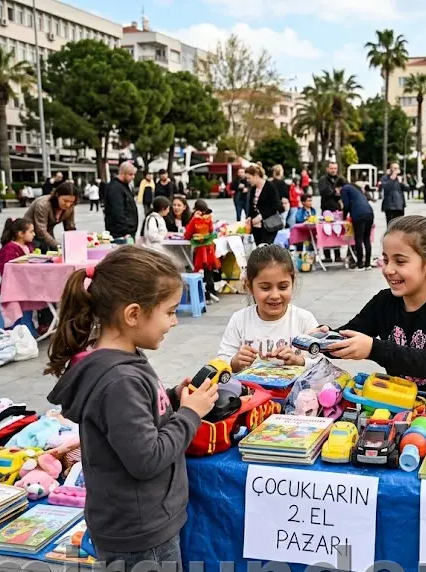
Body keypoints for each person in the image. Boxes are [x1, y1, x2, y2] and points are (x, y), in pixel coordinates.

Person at [46, 247, 218, 571]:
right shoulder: (119, 379)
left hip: (137, 522)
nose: (174, 322)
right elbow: (147, 458)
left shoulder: (124, 361)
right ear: (134, 314)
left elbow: (138, 417)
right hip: (141, 534)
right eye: (169, 312)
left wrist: (174, 397)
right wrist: (191, 414)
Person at [327, 216, 426, 393]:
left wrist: (373, 348)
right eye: (385, 260)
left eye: (400, 261)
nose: (388, 270)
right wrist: (319, 342)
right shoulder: (383, 302)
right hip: (405, 402)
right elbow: (348, 336)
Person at [216, 245, 319, 372]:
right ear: (249, 286)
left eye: (283, 287)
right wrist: (235, 362)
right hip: (250, 390)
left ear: (292, 282)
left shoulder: (304, 320)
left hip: (296, 391)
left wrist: (299, 361)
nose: (275, 296)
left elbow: (321, 362)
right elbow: (220, 361)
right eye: (265, 288)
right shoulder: (240, 320)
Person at [23, 182, 78, 253]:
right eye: (65, 201)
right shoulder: (43, 204)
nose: (68, 204)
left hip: (47, 233)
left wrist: (75, 244)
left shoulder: (70, 207)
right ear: (57, 195)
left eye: (71, 202)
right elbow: (41, 231)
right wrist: (59, 246)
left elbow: (70, 227)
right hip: (31, 234)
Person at [184, 199, 221, 303]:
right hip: (209, 250)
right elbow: (210, 231)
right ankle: (211, 292)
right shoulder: (208, 219)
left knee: (198, 272)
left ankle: (203, 295)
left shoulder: (194, 220)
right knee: (208, 272)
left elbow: (187, 234)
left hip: (200, 251)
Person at [338, 178, 375, 271]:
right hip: (369, 212)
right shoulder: (355, 188)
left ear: (338, 186)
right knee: (366, 238)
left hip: (358, 214)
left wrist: (344, 217)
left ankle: (360, 264)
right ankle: (367, 264)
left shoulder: (344, 189)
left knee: (358, 238)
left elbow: (346, 205)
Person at [244, 164, 283, 246]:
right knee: (259, 249)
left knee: (265, 248)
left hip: (269, 225)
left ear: (256, 176)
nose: (247, 180)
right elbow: (252, 206)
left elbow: (276, 205)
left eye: (249, 178)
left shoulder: (270, 186)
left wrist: (261, 216)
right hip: (256, 227)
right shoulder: (253, 189)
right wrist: (249, 217)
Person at [103, 161, 139, 241]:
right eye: (130, 174)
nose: (133, 177)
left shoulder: (124, 186)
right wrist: (124, 231)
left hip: (127, 231)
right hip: (121, 233)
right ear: (122, 173)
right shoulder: (115, 188)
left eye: (134, 174)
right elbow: (118, 211)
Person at [317, 162, 343, 263]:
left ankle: (337, 255)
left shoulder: (340, 179)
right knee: (326, 233)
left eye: (335, 168)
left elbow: (343, 190)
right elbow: (324, 191)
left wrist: (335, 193)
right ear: (327, 169)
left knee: (337, 232)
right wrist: (335, 192)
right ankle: (327, 255)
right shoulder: (323, 180)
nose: (333, 170)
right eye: (331, 168)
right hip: (326, 209)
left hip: (337, 210)